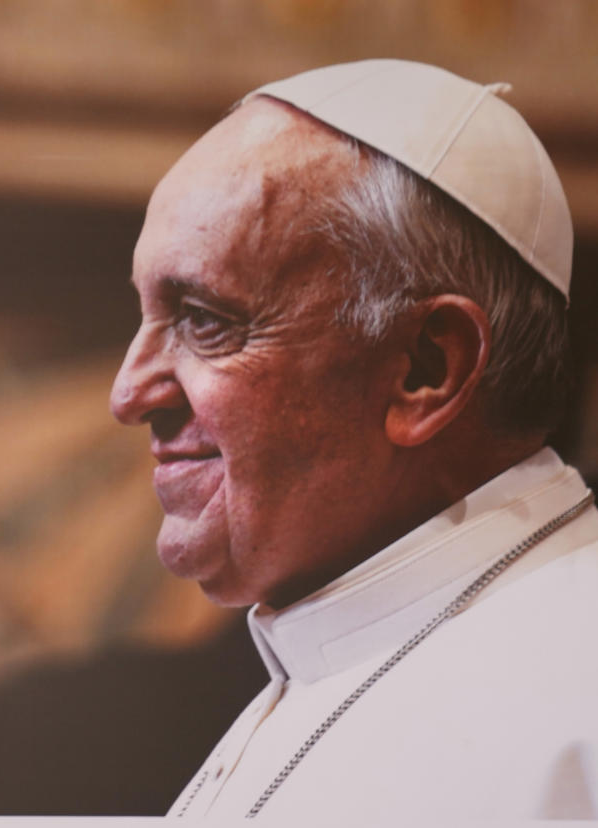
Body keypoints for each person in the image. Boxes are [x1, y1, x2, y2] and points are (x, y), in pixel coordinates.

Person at [110, 58, 597, 820]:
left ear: (425, 369)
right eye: (145, 315)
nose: (128, 395)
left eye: (204, 321)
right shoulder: (332, 646)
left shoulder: (573, 702)